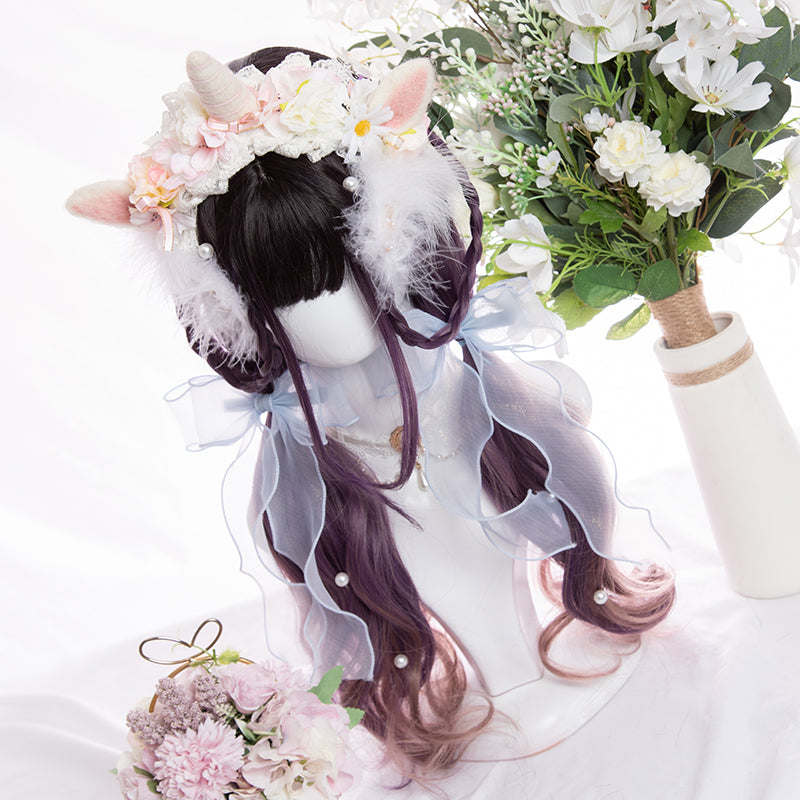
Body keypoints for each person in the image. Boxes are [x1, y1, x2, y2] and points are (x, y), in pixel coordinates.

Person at [68, 45, 675, 779]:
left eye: (337, 263)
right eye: (280, 291)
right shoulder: (304, 489)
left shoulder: (504, 410)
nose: (319, 319)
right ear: (226, 300)